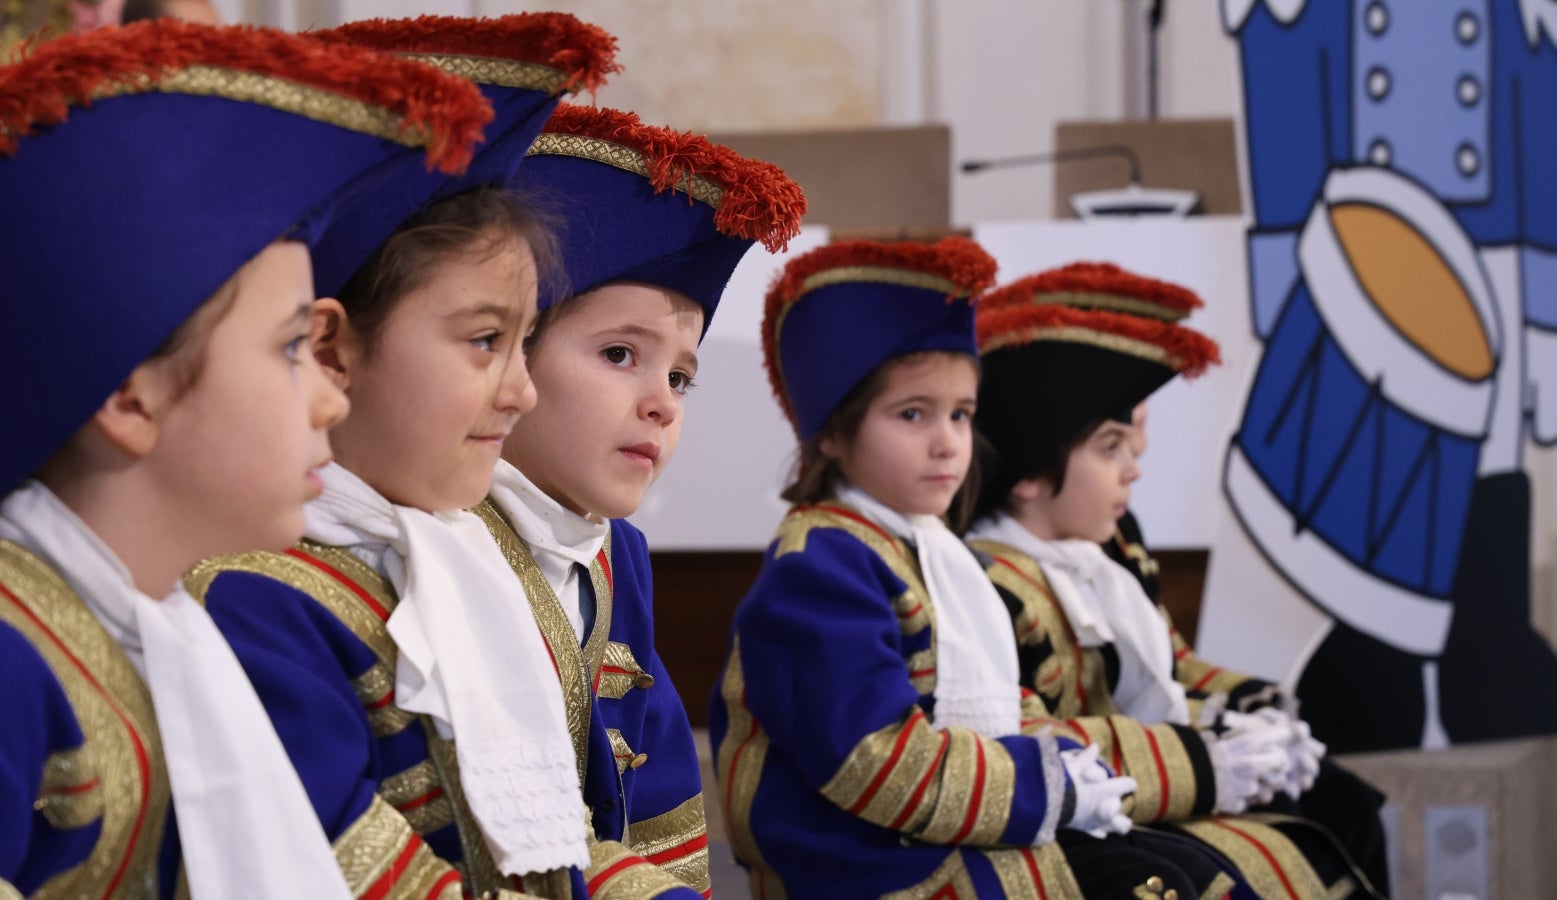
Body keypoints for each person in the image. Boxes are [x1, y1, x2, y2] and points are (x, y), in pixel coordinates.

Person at [0, 19, 491, 896]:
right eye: (291, 347)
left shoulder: (164, 627)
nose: (330, 399)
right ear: (130, 395)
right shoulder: (13, 663)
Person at [188, 15, 628, 898]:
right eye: (483, 341)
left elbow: (559, 842)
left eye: (527, 342)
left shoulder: (477, 559)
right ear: (333, 351)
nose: (522, 391)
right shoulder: (257, 599)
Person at [706, 236, 1231, 899]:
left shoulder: (929, 548)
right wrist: (1048, 783)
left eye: (961, 414)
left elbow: (1006, 707)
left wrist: (1080, 766)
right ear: (833, 435)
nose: (947, 441)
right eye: (912, 414)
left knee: (1174, 867)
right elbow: (875, 762)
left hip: (935, 833)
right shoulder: (819, 565)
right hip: (861, 864)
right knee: (1149, 882)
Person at [964, 263, 1388, 898]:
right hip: (1093, 801)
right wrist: (1204, 753)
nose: (1135, 465)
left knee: (1343, 803)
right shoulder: (989, 582)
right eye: (1111, 447)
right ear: (1028, 475)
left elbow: (1169, 665)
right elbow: (1028, 739)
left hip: (1155, 771)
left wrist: (1254, 713)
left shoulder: (1106, 551)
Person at [472, 102, 804, 898]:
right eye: (620, 353)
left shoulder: (616, 551)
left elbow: (654, 790)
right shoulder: (451, 544)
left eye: (680, 376)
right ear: (508, 360)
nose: (661, 402)